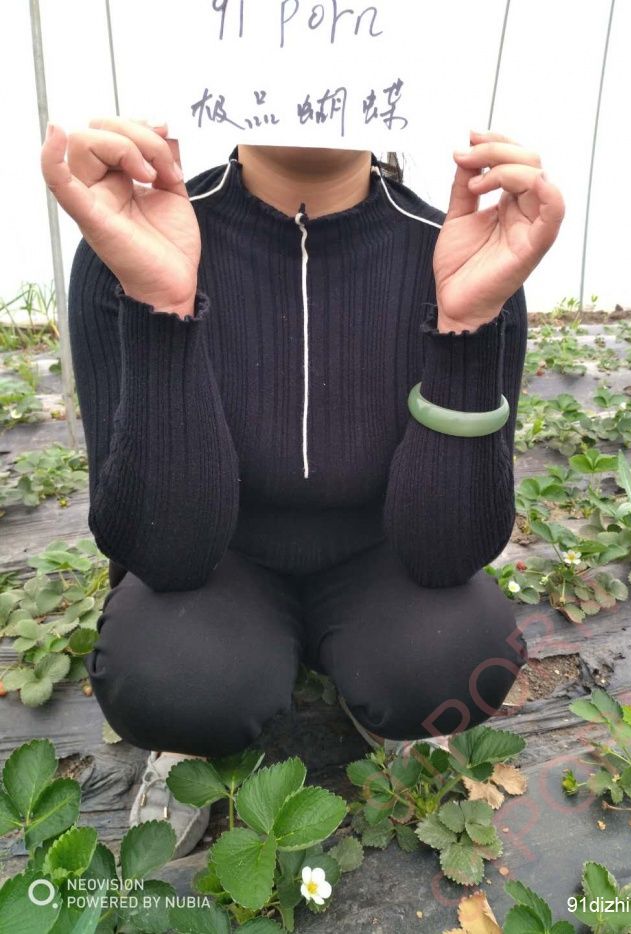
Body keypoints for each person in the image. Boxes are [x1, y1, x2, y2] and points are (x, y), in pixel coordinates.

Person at [40, 119, 565, 857]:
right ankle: (194, 738)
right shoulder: (136, 237)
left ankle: (374, 686)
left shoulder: (454, 245)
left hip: (384, 549)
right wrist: (161, 303)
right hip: (214, 558)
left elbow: (449, 554)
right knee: (172, 677)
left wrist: (466, 322)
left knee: (456, 657)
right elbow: (155, 551)